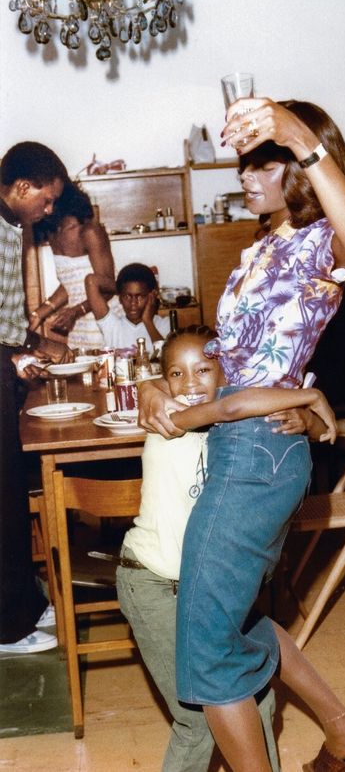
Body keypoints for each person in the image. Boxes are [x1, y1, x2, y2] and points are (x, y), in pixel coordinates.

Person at [139, 98, 345, 772]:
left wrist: (295, 130)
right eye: (244, 164)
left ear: (303, 169)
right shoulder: (264, 245)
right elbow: (231, 353)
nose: (245, 177)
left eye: (263, 162)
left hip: (255, 451)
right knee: (232, 621)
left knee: (207, 646)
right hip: (249, 444)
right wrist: (157, 381)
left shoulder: (316, 245)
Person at [117, 324, 337, 772]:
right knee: (198, 720)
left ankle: (340, 730)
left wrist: (306, 420)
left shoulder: (242, 428)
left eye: (203, 370)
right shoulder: (168, 418)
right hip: (154, 582)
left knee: (258, 702)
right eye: (176, 374)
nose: (189, 383)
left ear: (227, 370)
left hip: (211, 585)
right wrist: (151, 386)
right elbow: (224, 404)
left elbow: (292, 424)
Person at [0, 141, 74, 654]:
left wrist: (25, 348)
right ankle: (9, 628)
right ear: (22, 188)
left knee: (10, 490)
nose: (49, 211)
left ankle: (21, 604)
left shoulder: (14, 226)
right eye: (45, 201)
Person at [30, 180, 116, 352]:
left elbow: (109, 287)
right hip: (79, 323)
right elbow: (71, 285)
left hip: (104, 319)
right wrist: (39, 313)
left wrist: (75, 312)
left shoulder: (90, 231)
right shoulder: (53, 234)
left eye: (49, 201)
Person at [85, 262, 169, 352]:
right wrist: (121, 287)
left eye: (140, 296)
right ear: (120, 298)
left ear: (152, 295)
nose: (133, 303)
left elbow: (165, 356)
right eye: (127, 296)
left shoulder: (165, 325)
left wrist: (148, 321)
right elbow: (91, 281)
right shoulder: (112, 326)